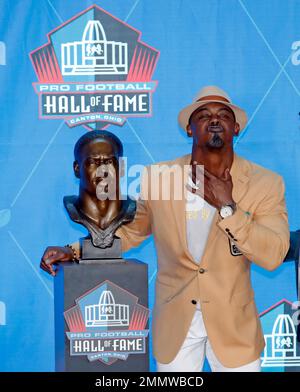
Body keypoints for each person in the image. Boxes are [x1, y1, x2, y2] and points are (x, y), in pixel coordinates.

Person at [40, 86, 290, 372]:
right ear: (188, 128)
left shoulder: (266, 183)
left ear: (236, 128)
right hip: (176, 326)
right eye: (203, 115)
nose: (215, 119)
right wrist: (73, 251)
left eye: (223, 114)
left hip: (235, 327)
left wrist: (228, 207)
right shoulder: (161, 178)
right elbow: (132, 231)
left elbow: (273, 254)